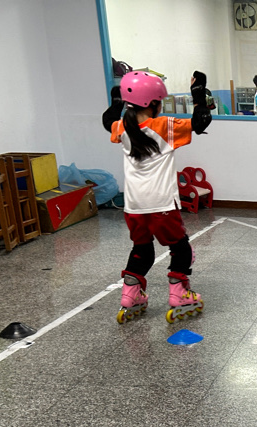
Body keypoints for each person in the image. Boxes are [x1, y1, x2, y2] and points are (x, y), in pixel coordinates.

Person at [102, 70, 212, 324]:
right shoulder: (164, 126)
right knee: (181, 248)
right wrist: (198, 93)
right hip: (161, 204)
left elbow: (108, 121)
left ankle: (130, 294)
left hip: (133, 206)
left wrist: (116, 101)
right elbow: (201, 122)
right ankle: (179, 294)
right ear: (153, 103)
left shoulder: (123, 128)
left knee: (142, 249)